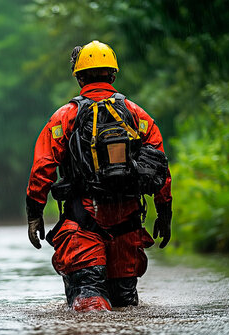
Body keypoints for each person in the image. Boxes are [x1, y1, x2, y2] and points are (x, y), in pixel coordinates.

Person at [26, 41, 172, 312]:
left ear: (79, 77)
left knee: (89, 306)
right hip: (127, 231)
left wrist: (34, 212)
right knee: (125, 308)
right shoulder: (137, 115)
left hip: (82, 226)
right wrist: (164, 212)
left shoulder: (65, 117)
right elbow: (160, 168)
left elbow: (42, 168)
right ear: (113, 75)